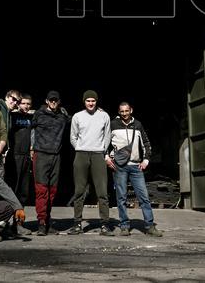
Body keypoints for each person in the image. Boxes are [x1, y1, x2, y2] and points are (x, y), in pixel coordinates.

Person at [107, 102, 163, 237]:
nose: (124, 114)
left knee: (144, 197)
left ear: (131, 110)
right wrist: (107, 158)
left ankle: (149, 226)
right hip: (119, 166)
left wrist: (146, 160)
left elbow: (146, 143)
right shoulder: (113, 124)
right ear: (119, 112)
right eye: (122, 111)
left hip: (136, 166)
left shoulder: (137, 124)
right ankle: (124, 226)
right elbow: (104, 143)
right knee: (121, 198)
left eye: (126, 111)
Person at [68, 90, 112, 235]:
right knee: (79, 191)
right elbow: (73, 137)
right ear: (84, 102)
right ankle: (77, 224)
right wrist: (80, 148)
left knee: (102, 191)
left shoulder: (104, 116)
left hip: (98, 155)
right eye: (88, 100)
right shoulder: (77, 116)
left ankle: (105, 224)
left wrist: (101, 149)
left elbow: (107, 136)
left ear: (96, 101)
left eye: (93, 100)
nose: (91, 103)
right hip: (81, 154)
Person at [29, 90, 69, 235]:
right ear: (46, 101)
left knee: (52, 191)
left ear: (59, 102)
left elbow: (77, 121)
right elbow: (31, 129)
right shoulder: (39, 114)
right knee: (41, 190)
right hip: (41, 154)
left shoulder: (62, 116)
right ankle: (41, 223)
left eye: (55, 100)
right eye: (51, 100)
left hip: (55, 156)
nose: (53, 102)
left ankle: (47, 221)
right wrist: (32, 148)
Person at [7, 94, 34, 207]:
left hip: (26, 155)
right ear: (18, 104)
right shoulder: (12, 115)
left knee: (24, 186)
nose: (26, 106)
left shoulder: (32, 117)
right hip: (14, 154)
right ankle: (10, 210)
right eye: (23, 103)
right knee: (14, 183)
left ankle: (20, 211)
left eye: (28, 104)